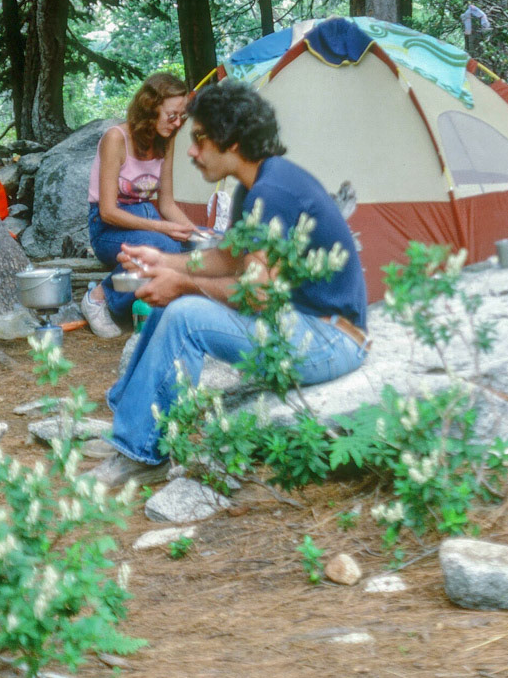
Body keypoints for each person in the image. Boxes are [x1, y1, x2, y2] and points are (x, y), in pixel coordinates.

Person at [92, 79, 369, 486]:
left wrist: (182, 284)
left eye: (200, 138)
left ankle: (140, 453)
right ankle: (128, 420)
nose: (190, 150)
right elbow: (230, 258)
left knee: (185, 313)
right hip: (300, 323)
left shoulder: (274, 193)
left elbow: (257, 293)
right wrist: (164, 260)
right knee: (173, 302)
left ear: (232, 141)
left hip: (329, 339)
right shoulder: (253, 187)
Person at [80, 72, 196, 338]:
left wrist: (196, 233)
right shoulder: (116, 139)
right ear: (150, 108)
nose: (178, 123)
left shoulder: (166, 139)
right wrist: (161, 228)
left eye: (182, 116)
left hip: (147, 220)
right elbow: (108, 211)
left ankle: (154, 305)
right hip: (108, 229)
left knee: (195, 247)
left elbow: (166, 204)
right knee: (162, 245)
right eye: (172, 115)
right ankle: (100, 297)